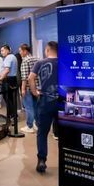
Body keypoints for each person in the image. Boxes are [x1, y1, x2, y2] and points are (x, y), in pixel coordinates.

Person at [28, 41, 59, 174]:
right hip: (62, 102)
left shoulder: (40, 63)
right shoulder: (64, 62)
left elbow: (31, 78)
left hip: (45, 101)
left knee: (42, 132)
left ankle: (41, 160)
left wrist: (35, 92)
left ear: (47, 50)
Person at [0, 45, 19, 124]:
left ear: (8, 50)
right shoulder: (13, 57)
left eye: (2, 50)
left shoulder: (8, 57)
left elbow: (7, 70)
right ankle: (12, 116)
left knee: (8, 99)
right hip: (13, 79)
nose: (1, 52)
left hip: (8, 80)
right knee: (11, 99)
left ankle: (12, 116)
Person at [19, 44, 39, 134]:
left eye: (20, 51)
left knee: (28, 107)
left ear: (25, 51)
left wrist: (23, 89)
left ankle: (29, 126)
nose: (20, 53)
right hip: (36, 86)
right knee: (36, 107)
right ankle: (36, 124)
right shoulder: (36, 59)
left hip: (27, 87)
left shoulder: (25, 61)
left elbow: (24, 77)